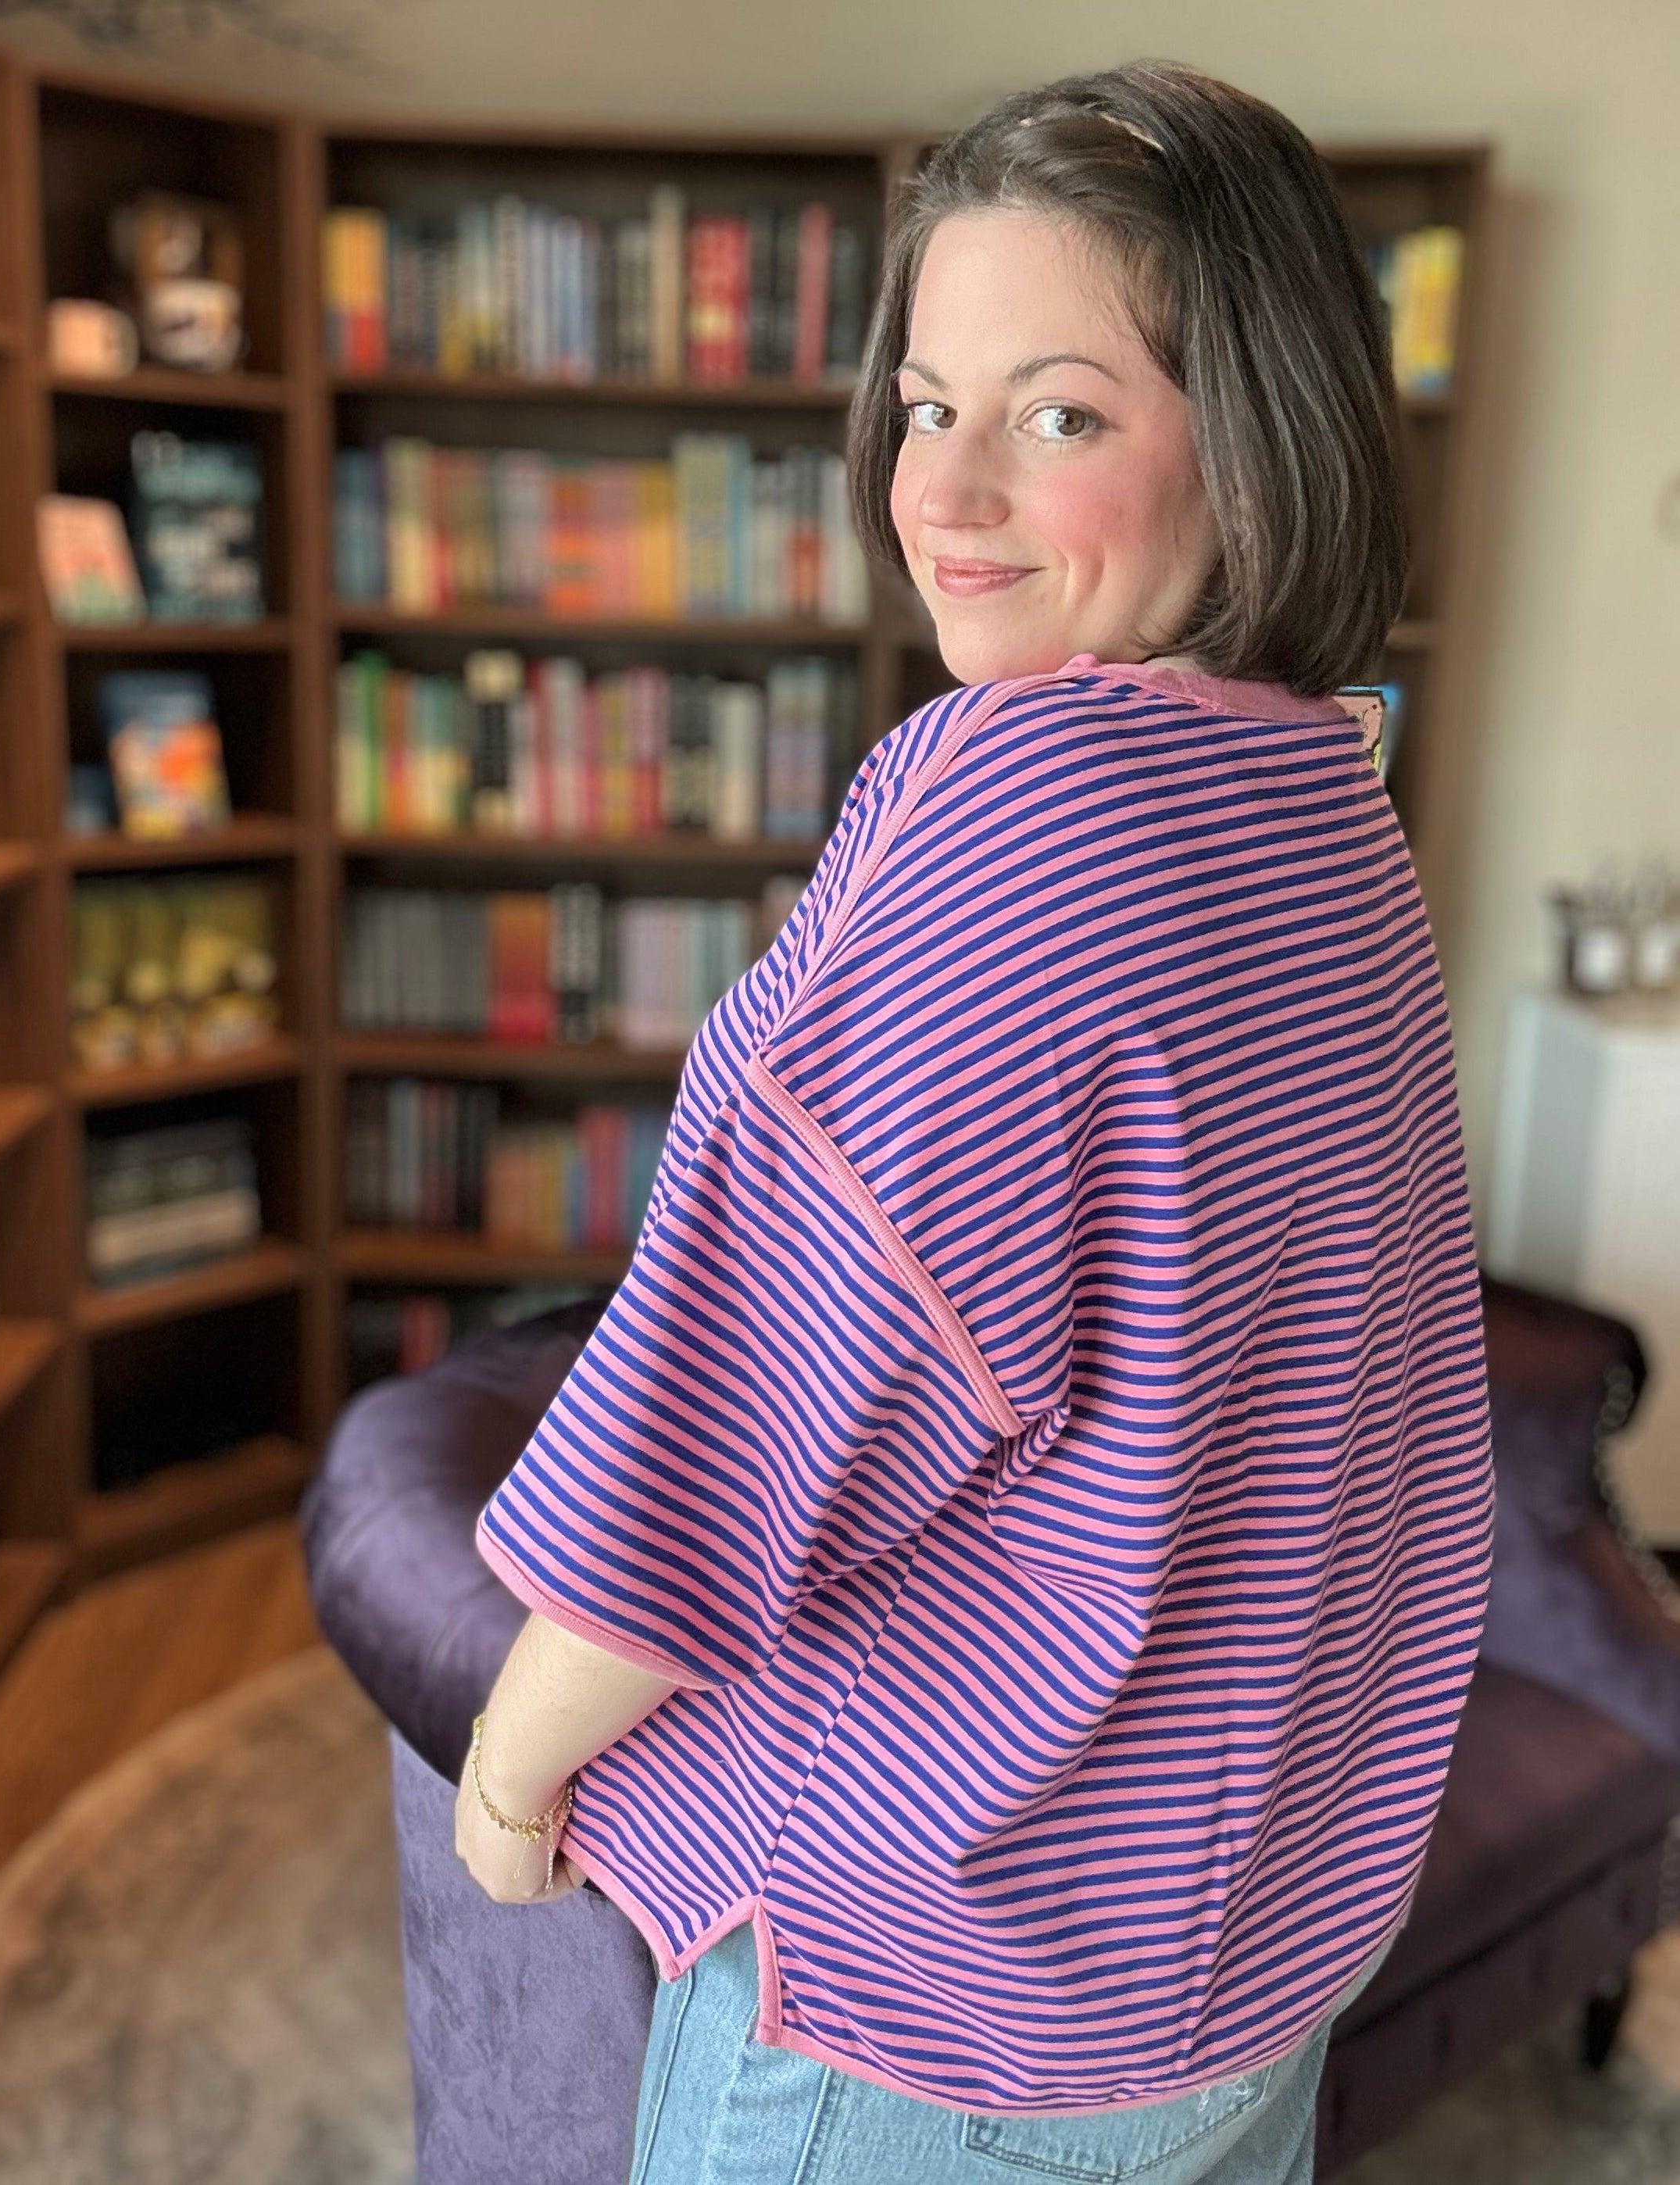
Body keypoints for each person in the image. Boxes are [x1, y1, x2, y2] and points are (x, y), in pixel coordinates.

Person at [455, 59, 1494, 2185]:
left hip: (944, 1988)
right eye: (928, 406)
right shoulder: (1332, 807)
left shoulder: (1025, 809)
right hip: (1236, 1953)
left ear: (1260, 437)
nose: (944, 495)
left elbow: (757, 1405)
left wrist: (510, 1761)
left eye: (1062, 413)